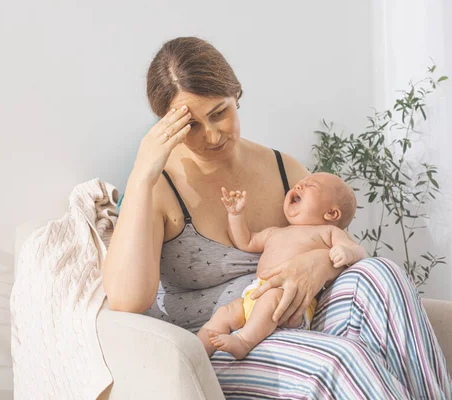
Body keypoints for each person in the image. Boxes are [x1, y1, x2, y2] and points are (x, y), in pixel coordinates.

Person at [102, 36, 451, 398]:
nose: (212, 135)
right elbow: (128, 301)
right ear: (165, 126)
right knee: (341, 361)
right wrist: (143, 173)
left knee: (383, 273)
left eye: (219, 113)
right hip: (225, 342)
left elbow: (339, 248)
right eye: (190, 125)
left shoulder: (286, 170)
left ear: (235, 95)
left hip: (296, 318)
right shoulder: (159, 186)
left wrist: (318, 265)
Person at [198, 173, 366, 360]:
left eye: (311, 185)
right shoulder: (275, 232)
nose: (299, 187)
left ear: (331, 213)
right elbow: (246, 241)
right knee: (225, 312)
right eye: (298, 184)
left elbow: (358, 251)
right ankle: (196, 354)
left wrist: (346, 253)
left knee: (271, 298)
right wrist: (236, 215)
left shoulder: (329, 232)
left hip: (290, 301)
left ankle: (244, 342)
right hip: (255, 293)